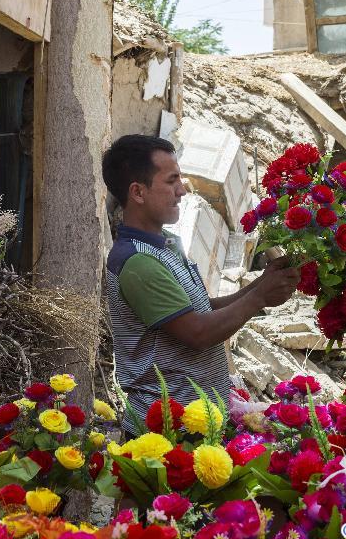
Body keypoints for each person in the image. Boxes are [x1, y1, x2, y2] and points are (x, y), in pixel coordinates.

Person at [102, 135, 300, 436]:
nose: (182, 190)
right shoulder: (138, 262)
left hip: (195, 421)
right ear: (138, 192)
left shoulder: (166, 245)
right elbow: (197, 332)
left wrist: (261, 285)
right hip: (168, 431)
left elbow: (199, 309)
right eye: (171, 181)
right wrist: (259, 296)